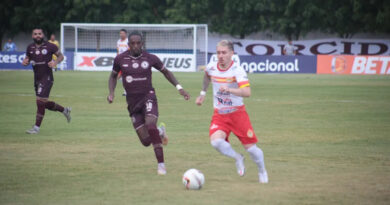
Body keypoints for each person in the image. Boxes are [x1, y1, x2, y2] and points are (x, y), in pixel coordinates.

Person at [107, 31, 190, 175]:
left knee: (150, 125)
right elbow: (113, 76)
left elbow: (166, 72)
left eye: (138, 43)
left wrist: (180, 88)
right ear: (128, 45)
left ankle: (161, 165)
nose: (135, 46)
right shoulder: (120, 59)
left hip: (148, 98)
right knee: (146, 141)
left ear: (142, 44)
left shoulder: (150, 58)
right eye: (132, 43)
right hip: (133, 104)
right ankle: (160, 132)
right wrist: (111, 93)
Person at [195, 40, 268, 183]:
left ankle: (262, 171)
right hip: (220, 115)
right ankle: (237, 158)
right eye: (218, 53)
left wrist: (230, 90)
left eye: (224, 53)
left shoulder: (237, 70)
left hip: (237, 114)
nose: (220, 56)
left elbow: (247, 92)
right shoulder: (211, 67)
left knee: (252, 149)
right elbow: (207, 76)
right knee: (216, 142)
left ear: (231, 54)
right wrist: (203, 93)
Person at [22, 28, 71, 134]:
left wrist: (55, 62)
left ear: (43, 35)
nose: (37, 35)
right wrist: (26, 61)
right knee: (42, 103)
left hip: (47, 77)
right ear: (32, 36)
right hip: (37, 78)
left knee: (39, 102)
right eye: (35, 34)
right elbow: (28, 58)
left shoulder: (50, 46)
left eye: (39, 34)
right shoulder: (30, 47)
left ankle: (36, 128)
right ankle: (64, 110)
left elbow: (61, 56)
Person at [116, 29, 130, 96]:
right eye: (120, 33)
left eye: (122, 33)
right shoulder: (118, 41)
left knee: (119, 76)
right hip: (120, 60)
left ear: (125, 34)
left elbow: (129, 51)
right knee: (122, 76)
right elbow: (118, 51)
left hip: (126, 60)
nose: (121, 34)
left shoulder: (128, 41)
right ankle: (126, 90)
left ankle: (126, 91)